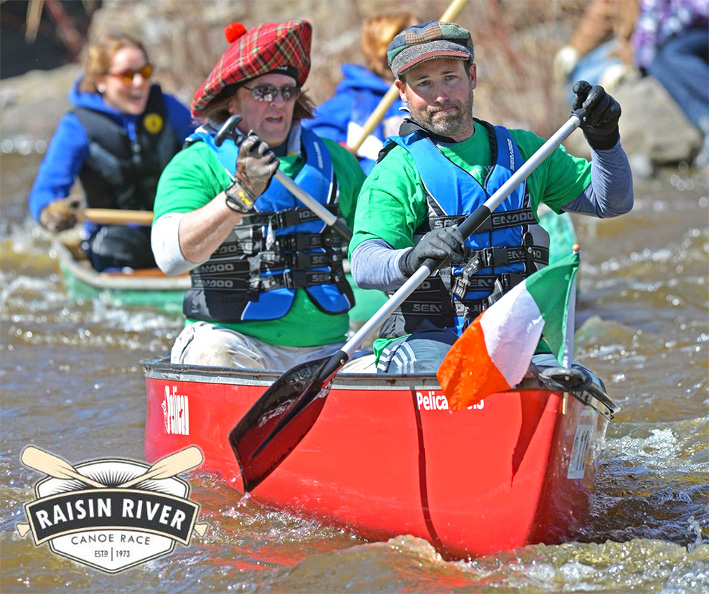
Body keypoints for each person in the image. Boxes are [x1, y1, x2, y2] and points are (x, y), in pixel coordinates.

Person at [349, 20, 634, 375]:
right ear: (402, 92)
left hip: (511, 335)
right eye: (424, 83)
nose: (440, 95)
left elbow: (612, 202)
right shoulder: (397, 169)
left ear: (472, 75)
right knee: (449, 378)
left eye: (450, 77)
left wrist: (606, 142)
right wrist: (411, 258)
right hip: (425, 340)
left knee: (578, 381)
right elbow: (363, 264)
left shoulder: (526, 151)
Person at [151, 20, 366, 370]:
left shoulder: (336, 161)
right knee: (215, 355)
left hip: (327, 351)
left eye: (287, 91)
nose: (279, 103)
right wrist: (241, 194)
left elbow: (380, 236)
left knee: (390, 366)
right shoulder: (196, 163)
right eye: (264, 91)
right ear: (232, 102)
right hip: (232, 342)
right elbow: (170, 258)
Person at [28, 33, 195, 272]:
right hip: (116, 239)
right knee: (111, 250)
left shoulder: (169, 108)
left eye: (145, 72)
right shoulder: (77, 126)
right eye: (127, 75)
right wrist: (50, 213)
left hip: (175, 228)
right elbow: (45, 192)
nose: (139, 83)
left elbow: (209, 151)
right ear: (100, 80)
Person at [304, 12, 417, 174]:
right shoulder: (357, 99)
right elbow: (312, 134)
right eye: (414, 38)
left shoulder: (424, 90)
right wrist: (339, 152)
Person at [631, 0, 709, 167]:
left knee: (673, 52)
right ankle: (704, 121)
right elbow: (648, 21)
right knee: (655, 63)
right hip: (678, 36)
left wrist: (670, 29)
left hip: (700, 27)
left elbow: (701, 8)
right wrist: (643, 60)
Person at [553, 0, 640, 99]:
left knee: (587, 87)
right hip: (625, 49)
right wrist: (575, 49)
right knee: (576, 81)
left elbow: (652, 33)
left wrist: (629, 65)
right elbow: (604, 9)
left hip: (644, 56)